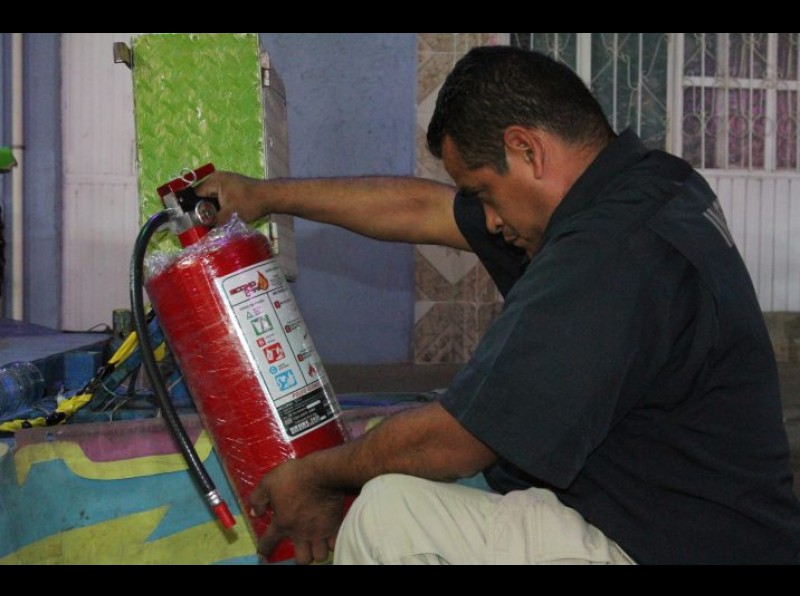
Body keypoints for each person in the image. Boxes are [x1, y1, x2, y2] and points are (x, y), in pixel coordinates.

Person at [196, 46, 800, 565]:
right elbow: (422, 209)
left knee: (389, 518)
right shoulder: (648, 182)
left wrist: (317, 476)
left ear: (527, 149)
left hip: (670, 550)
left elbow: (454, 442)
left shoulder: (608, 253)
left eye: (483, 192)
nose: (486, 219)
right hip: (685, 521)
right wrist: (263, 196)